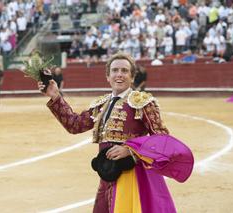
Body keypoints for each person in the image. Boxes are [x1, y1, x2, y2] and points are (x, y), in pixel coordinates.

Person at [38, 52, 193, 212]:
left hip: (132, 176)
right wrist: (55, 96)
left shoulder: (143, 103)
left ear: (132, 77)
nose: (119, 74)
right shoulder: (101, 104)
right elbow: (75, 125)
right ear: (108, 76)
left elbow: (162, 140)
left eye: (124, 71)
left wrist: (131, 150)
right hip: (107, 174)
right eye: (115, 70)